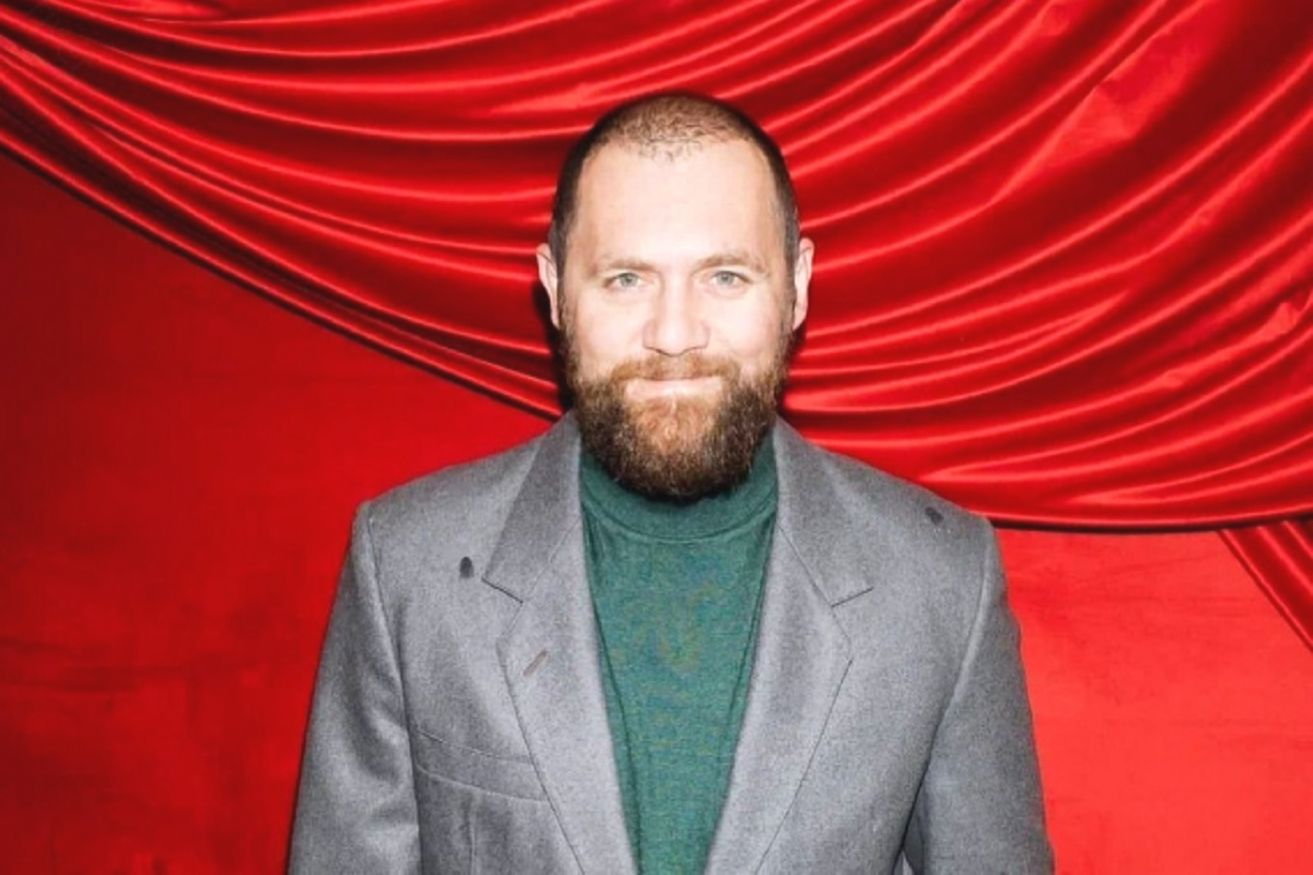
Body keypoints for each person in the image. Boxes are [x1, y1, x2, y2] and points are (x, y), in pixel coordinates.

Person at [289, 93, 1053, 874]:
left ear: (796, 284)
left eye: (724, 275)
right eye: (626, 279)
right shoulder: (407, 568)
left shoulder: (940, 581)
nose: (675, 334)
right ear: (555, 288)